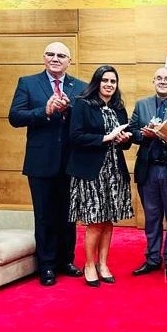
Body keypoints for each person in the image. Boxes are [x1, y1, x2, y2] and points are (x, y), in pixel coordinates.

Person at [8, 42, 86, 286]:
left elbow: (84, 121)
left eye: (61, 55)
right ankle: (47, 265)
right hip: (40, 161)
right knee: (44, 216)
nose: (55, 58)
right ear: (44, 57)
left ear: (69, 61)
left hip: (71, 162)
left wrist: (68, 109)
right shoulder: (28, 83)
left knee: (68, 215)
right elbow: (15, 117)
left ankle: (66, 260)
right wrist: (45, 110)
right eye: (51, 54)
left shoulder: (81, 87)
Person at [67, 65, 134, 287]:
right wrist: (105, 138)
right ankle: (88, 264)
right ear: (97, 82)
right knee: (95, 221)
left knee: (107, 221)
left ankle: (103, 264)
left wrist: (124, 139)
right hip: (91, 172)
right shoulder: (83, 104)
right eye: (105, 80)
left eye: (113, 82)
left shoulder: (118, 108)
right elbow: (75, 137)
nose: (109, 85)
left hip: (114, 172)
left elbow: (124, 145)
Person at [128, 67, 167, 278]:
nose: (163, 81)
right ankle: (153, 258)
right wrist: (143, 135)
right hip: (148, 170)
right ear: (154, 81)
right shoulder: (142, 105)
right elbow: (131, 132)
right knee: (152, 218)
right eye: (159, 78)